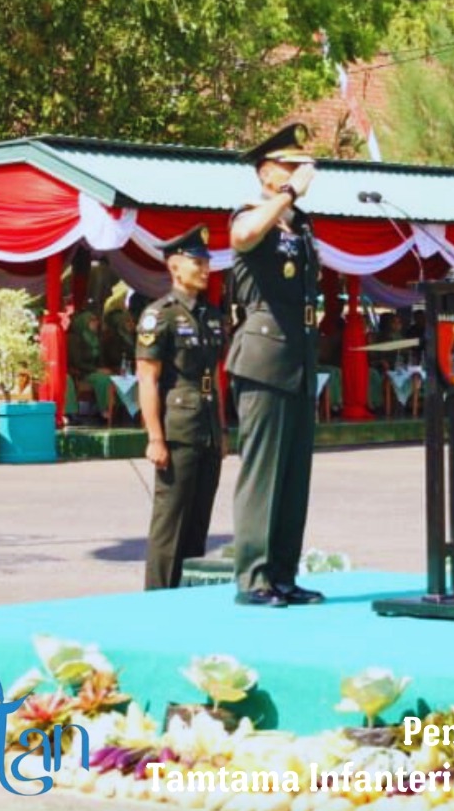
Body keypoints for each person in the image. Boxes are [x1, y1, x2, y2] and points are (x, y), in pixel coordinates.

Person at [227, 124, 324, 608]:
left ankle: (283, 575)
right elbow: (244, 236)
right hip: (264, 358)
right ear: (266, 173)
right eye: (290, 167)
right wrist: (288, 195)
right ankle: (254, 578)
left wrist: (291, 205)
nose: (301, 174)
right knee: (263, 472)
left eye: (302, 167)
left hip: (298, 358)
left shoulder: (299, 225)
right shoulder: (250, 214)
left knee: (293, 476)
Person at [136, 225, 228, 591]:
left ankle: (187, 595)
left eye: (207, 262)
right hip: (178, 430)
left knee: (198, 522)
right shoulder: (160, 315)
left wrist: (221, 430)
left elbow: (215, 377)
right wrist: (155, 437)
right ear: (175, 266)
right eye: (198, 262)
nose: (206, 269)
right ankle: (158, 597)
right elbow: (147, 379)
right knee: (170, 522)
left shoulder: (211, 315)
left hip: (207, 428)